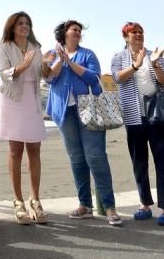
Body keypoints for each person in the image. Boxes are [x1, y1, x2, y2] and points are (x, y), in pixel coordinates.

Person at [44, 20, 122, 226]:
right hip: (64, 112)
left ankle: (109, 206)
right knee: (76, 159)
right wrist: (60, 60)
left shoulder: (88, 54)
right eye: (74, 30)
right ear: (64, 34)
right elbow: (50, 79)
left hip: (89, 111)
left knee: (96, 157)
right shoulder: (54, 54)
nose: (78, 33)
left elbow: (93, 78)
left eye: (79, 31)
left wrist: (70, 62)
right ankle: (85, 205)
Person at [111, 22, 164, 226]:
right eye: (134, 32)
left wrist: (153, 63)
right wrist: (136, 65)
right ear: (125, 36)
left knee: (163, 161)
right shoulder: (119, 57)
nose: (138, 35)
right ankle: (144, 204)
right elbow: (118, 78)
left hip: (157, 116)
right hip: (133, 117)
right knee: (139, 162)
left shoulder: (155, 54)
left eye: (141, 32)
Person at [0, 11, 50, 224]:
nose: (24, 26)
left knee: (34, 149)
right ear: (12, 26)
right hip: (13, 99)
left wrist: (47, 67)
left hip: (32, 98)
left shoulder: (36, 48)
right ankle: (18, 201)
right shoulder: (4, 47)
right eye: (20, 23)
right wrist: (22, 66)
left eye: (27, 23)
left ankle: (35, 199)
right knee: (15, 150)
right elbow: (3, 73)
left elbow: (45, 75)